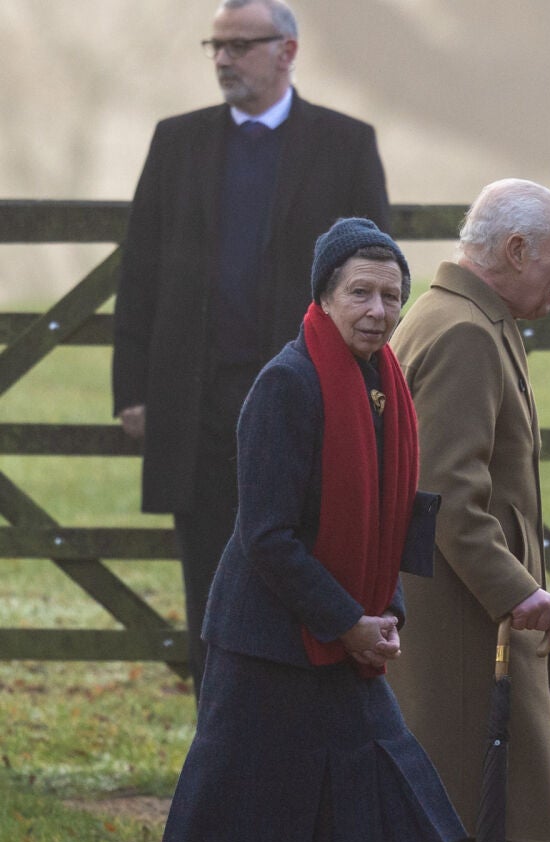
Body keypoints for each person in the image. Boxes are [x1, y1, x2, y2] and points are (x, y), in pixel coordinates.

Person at [158, 217, 550, 842]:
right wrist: (348, 620)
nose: (379, 308)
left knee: (422, 817)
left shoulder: (384, 381)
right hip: (263, 647)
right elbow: (267, 538)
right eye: (361, 290)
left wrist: (382, 610)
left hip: (345, 637)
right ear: (323, 293)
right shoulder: (285, 386)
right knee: (218, 839)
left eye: (390, 293)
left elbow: (397, 513)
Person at [292, 179, 550, 842]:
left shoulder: (466, 320)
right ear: (511, 253)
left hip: (458, 606)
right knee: (461, 806)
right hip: (461, 615)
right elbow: (451, 500)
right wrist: (517, 591)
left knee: (468, 807)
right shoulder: (462, 333)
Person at [112, 0, 390, 696]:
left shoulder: (345, 143)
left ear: (288, 51)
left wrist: (364, 387)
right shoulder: (176, 141)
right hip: (197, 404)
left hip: (304, 398)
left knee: (304, 566)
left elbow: (374, 279)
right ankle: (219, 741)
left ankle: (295, 733)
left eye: (240, 45)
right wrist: (132, 391)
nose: (224, 59)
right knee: (209, 582)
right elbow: (139, 270)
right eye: (216, 45)